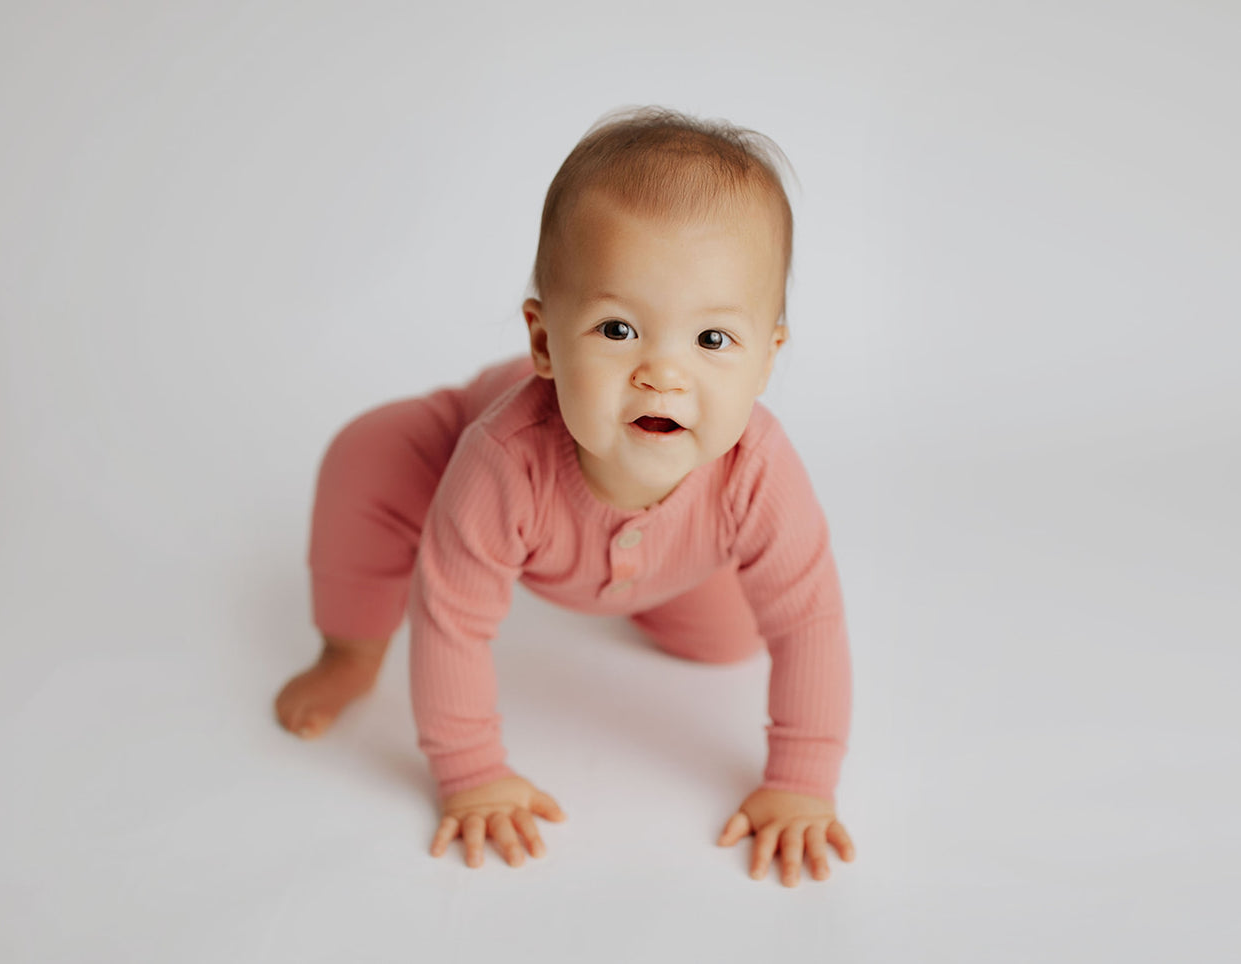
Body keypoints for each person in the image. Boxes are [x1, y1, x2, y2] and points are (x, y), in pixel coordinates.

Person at [274, 107, 856, 887]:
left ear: (765, 359)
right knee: (367, 455)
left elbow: (808, 617)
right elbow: (452, 617)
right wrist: (471, 772)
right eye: (617, 330)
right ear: (545, 343)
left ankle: (638, 590)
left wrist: (801, 782)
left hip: (664, 558)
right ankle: (347, 649)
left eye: (712, 340)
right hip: (443, 469)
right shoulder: (501, 461)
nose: (663, 374)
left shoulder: (757, 469)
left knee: (729, 642)